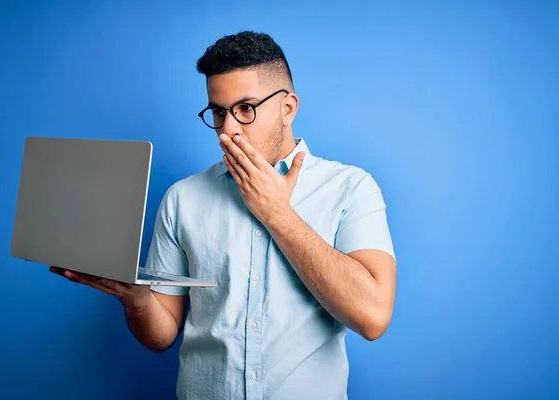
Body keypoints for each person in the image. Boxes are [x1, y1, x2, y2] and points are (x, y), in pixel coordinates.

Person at [50, 31, 397, 400]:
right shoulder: (182, 199)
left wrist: (278, 214)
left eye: (246, 108)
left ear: (288, 108)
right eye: (218, 112)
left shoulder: (350, 187)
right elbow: (161, 335)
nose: (227, 129)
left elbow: (372, 317)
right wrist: (135, 299)